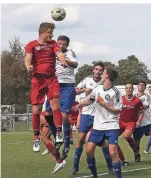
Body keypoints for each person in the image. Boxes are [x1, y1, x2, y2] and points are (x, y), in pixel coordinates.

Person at [24, 22, 68, 172]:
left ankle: (59, 132)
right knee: (36, 111)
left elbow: (59, 54)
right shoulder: (31, 45)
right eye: (49, 32)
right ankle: (36, 138)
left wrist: (62, 60)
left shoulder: (53, 44)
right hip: (37, 80)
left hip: (51, 79)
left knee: (56, 107)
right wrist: (28, 66)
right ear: (42, 32)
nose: (52, 35)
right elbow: (27, 58)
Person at [75, 68, 123, 178]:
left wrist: (103, 103)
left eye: (104, 73)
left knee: (112, 153)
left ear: (107, 76)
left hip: (112, 125)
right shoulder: (97, 89)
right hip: (98, 126)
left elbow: (117, 110)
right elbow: (89, 100)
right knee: (89, 150)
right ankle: (95, 175)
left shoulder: (116, 92)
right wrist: (79, 105)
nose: (101, 74)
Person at [71, 63, 113, 175]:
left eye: (100, 70)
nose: (98, 71)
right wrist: (85, 90)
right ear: (93, 70)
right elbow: (75, 90)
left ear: (103, 72)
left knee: (103, 141)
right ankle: (75, 166)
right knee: (80, 139)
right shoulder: (87, 80)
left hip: (99, 115)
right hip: (86, 114)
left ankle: (110, 166)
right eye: (96, 69)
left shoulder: (106, 83)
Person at [45, 35, 78, 160]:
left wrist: (65, 60)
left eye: (63, 44)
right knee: (48, 114)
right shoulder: (52, 53)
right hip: (54, 85)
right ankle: (57, 137)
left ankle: (67, 144)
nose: (61, 46)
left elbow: (75, 64)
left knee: (64, 116)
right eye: (59, 44)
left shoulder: (70, 53)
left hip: (68, 86)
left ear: (67, 45)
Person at [117, 83, 144, 166]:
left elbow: (141, 112)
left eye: (130, 88)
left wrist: (139, 121)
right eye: (127, 88)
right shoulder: (120, 99)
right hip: (120, 122)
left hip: (131, 122)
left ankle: (136, 151)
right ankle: (121, 158)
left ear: (133, 89)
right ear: (125, 89)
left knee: (126, 136)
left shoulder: (137, 101)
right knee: (112, 138)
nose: (128, 89)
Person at [133, 81, 151, 162]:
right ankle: (137, 155)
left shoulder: (147, 97)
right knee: (137, 142)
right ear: (137, 86)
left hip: (148, 122)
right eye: (140, 84)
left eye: (143, 85)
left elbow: (143, 107)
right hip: (138, 123)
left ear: (145, 87)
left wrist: (133, 107)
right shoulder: (133, 97)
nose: (141, 86)